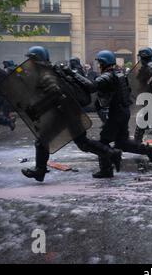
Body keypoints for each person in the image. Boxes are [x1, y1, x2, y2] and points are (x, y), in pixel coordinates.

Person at [21, 46, 122, 182]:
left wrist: (38, 108)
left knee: (42, 141)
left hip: (64, 112)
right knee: (83, 143)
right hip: (68, 111)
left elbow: (54, 94)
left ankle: (40, 170)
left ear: (37, 59)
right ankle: (112, 153)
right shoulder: (48, 71)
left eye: (31, 59)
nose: (29, 62)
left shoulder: (46, 74)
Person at [66, 50, 152, 178]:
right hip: (123, 111)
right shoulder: (119, 74)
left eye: (99, 63)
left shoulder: (108, 76)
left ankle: (106, 170)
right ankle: (147, 150)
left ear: (104, 63)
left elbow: (91, 86)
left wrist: (72, 74)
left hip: (116, 113)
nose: (98, 65)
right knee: (122, 142)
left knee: (103, 143)